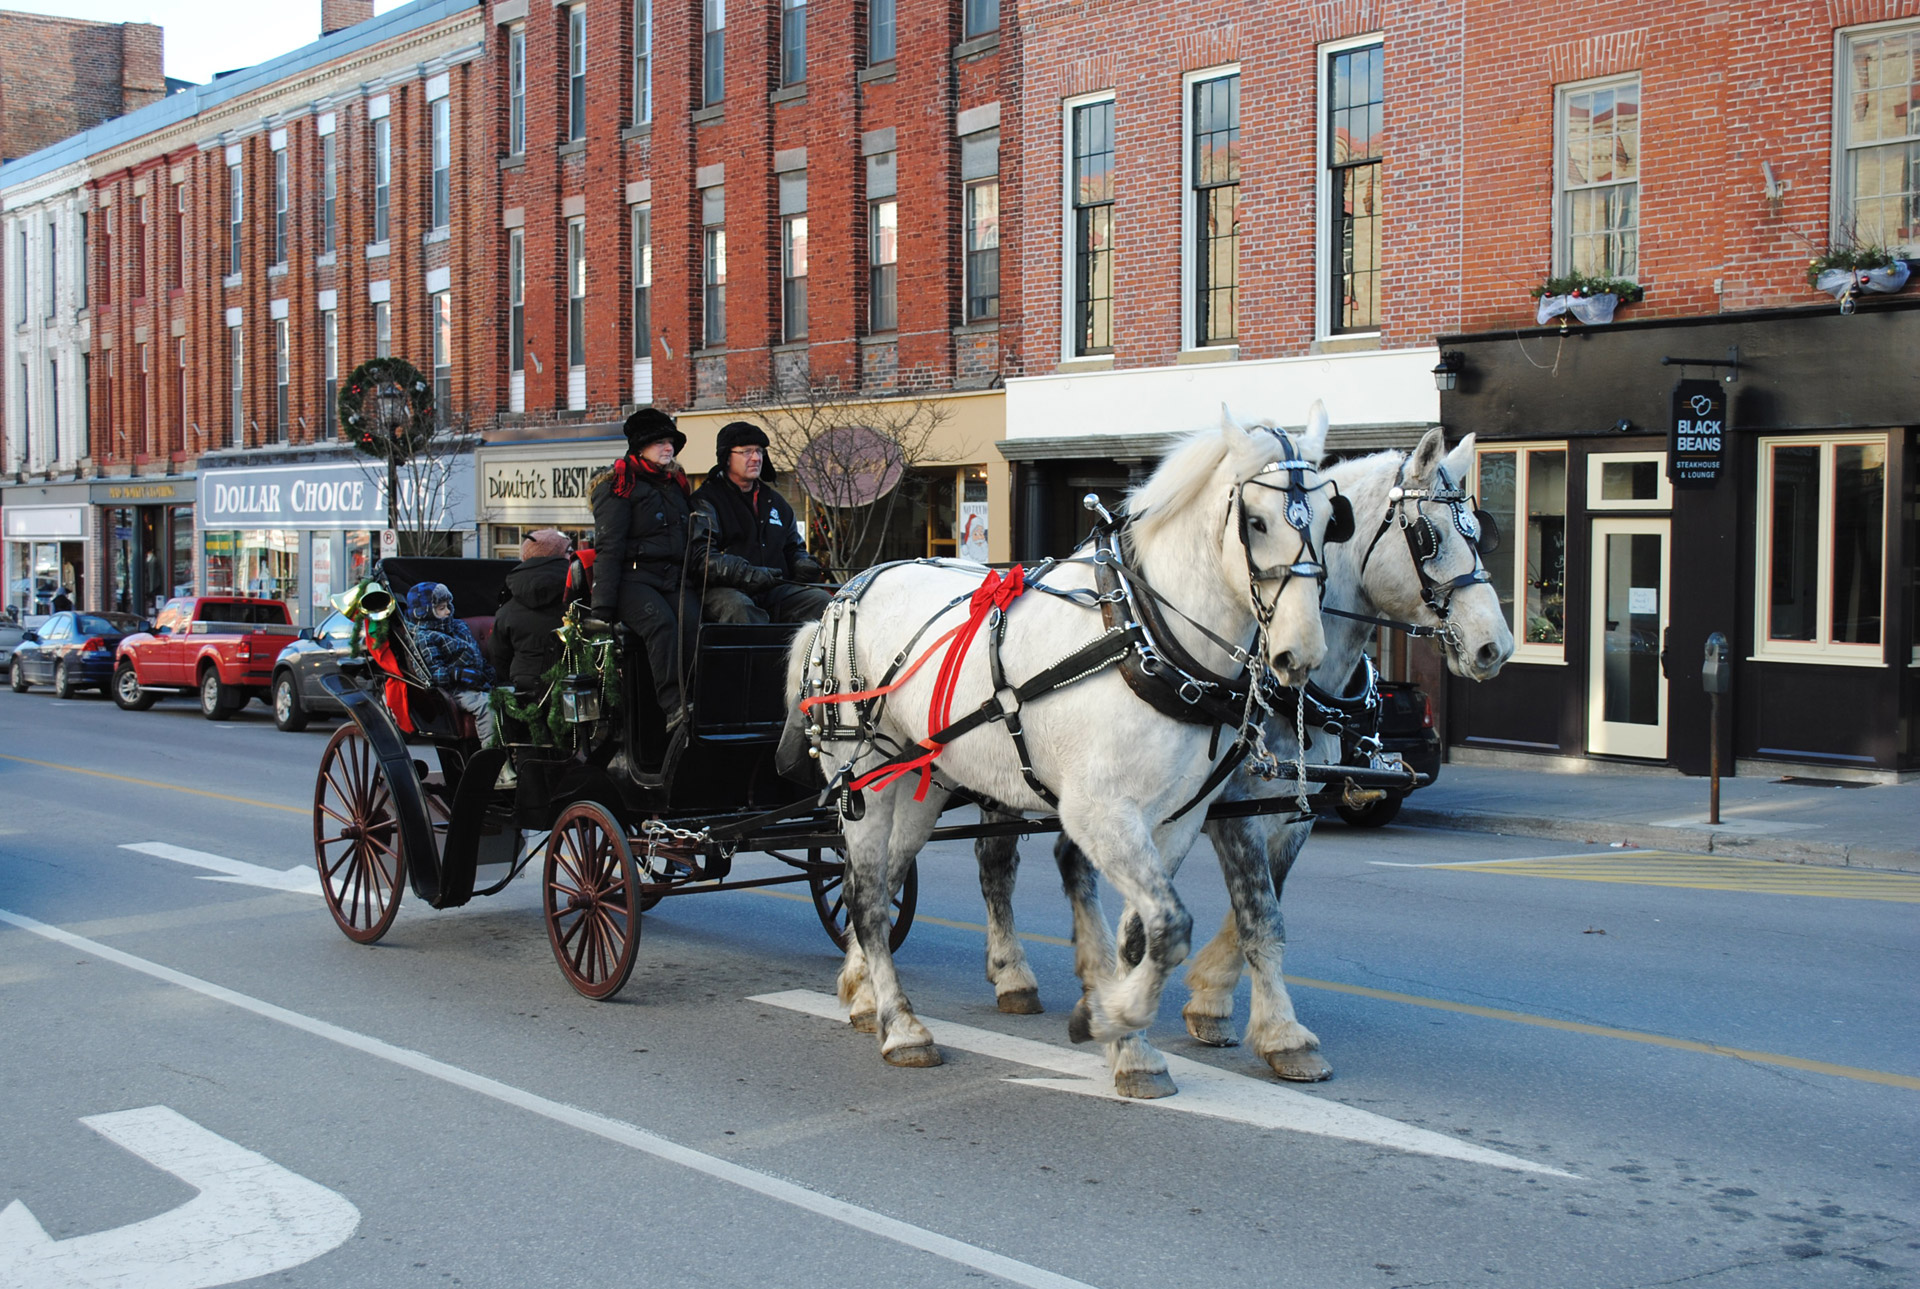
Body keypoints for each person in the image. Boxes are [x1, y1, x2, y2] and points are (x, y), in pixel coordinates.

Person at [590, 408, 770, 727]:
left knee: (694, 625)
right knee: (662, 625)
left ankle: (703, 699)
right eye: (659, 442)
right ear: (640, 447)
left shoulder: (675, 485)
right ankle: (675, 705)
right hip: (634, 580)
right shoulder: (618, 486)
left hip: (672, 578)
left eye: (670, 442)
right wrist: (602, 606)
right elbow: (609, 546)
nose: (668, 448)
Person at [690, 421, 831, 624]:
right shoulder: (706, 500)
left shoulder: (776, 502)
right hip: (724, 590)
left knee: (822, 602)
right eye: (746, 451)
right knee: (740, 608)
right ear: (726, 457)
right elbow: (701, 558)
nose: (756, 458)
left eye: (759, 451)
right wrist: (747, 573)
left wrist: (802, 563)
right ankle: (758, 658)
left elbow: (794, 547)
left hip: (773, 589)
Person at [406, 581, 496, 744]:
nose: (448, 611)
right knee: (487, 706)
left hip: (478, 684)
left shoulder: (458, 626)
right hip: (454, 691)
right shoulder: (425, 637)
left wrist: (487, 672)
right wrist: (458, 674)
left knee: (510, 695)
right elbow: (431, 673)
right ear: (425, 612)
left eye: (448, 606)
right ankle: (492, 752)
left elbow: (475, 654)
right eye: (441, 608)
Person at [490, 529, 570, 691]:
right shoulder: (577, 597)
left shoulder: (508, 606)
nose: (572, 556)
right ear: (556, 555)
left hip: (523, 686)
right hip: (573, 686)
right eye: (568, 551)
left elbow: (498, 656)